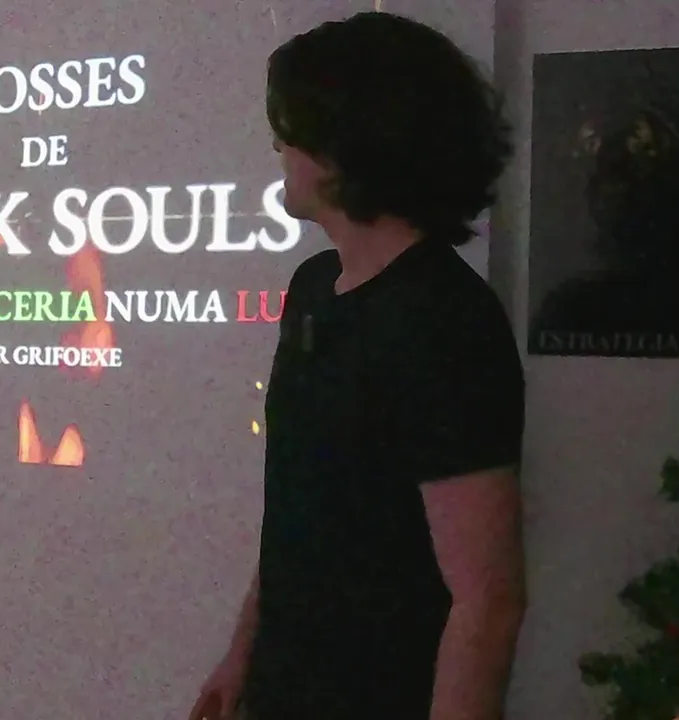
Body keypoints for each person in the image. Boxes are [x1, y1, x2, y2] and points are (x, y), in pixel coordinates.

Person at [188, 11, 525, 720]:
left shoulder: (443, 320)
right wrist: (242, 654)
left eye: (290, 127)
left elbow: (487, 598)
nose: (277, 145)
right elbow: (303, 512)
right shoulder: (314, 288)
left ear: (345, 144)